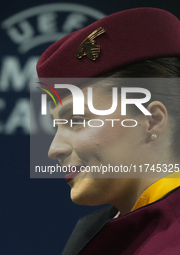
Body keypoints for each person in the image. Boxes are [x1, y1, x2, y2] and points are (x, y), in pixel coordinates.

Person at [36, 8, 180, 255]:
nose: (53, 150)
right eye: (56, 126)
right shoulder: (100, 235)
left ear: (151, 121)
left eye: (77, 120)